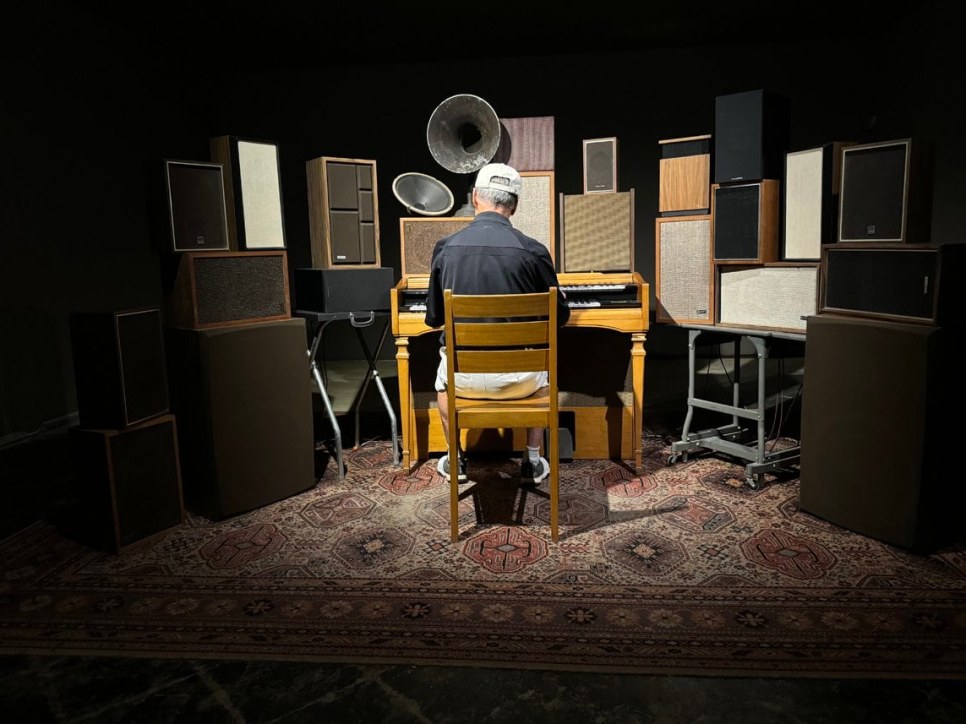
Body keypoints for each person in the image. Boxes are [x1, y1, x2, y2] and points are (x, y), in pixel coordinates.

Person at [424, 162, 570, 484]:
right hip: (520, 381)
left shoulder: (445, 249)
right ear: (514, 205)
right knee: (545, 368)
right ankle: (532, 460)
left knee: (441, 381)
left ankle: (456, 459)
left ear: (475, 197)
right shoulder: (533, 251)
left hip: (462, 380)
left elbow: (434, 318)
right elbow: (559, 317)